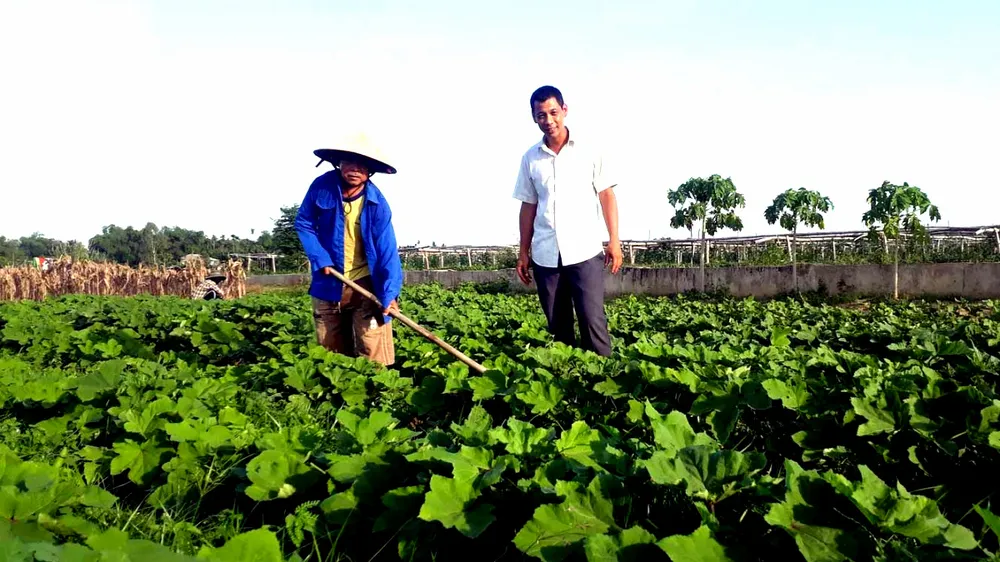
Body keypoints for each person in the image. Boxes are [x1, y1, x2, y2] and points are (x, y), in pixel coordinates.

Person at [512, 85, 622, 357]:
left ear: (564, 110)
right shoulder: (530, 158)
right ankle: (565, 382)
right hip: (546, 255)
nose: (548, 121)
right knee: (557, 326)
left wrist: (615, 241)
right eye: (541, 115)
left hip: (584, 250)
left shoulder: (588, 150)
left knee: (592, 320)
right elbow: (528, 206)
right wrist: (523, 252)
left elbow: (606, 195)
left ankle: (601, 380)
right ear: (533, 117)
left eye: (553, 113)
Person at [294, 133, 403, 366]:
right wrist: (320, 257)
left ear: (370, 170)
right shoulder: (322, 187)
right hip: (328, 281)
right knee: (330, 347)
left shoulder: (377, 204)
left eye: (362, 165)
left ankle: (376, 392)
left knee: (372, 346)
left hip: (365, 283)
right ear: (338, 163)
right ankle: (337, 391)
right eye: (349, 162)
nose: (355, 169)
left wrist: (389, 293)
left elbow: (387, 251)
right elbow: (303, 222)